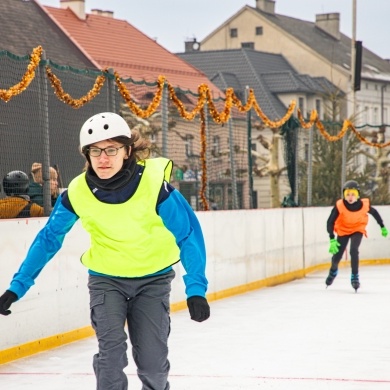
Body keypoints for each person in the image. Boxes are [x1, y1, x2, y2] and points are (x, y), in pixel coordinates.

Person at [0, 112, 210, 390]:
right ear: (87, 155)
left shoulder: (154, 186)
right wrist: (17, 287)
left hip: (153, 280)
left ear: (127, 151)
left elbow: (188, 235)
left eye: (112, 149)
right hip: (106, 280)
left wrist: (196, 289)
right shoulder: (77, 192)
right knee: (110, 359)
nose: (103, 158)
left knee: (153, 367)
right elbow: (48, 239)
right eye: (95, 151)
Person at [325, 180, 388, 291]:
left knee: (354, 250)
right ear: (344, 195)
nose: (350, 197)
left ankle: (355, 277)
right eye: (347, 194)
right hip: (343, 230)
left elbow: (374, 213)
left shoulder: (363, 205)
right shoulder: (340, 206)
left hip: (357, 229)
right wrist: (332, 238)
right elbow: (330, 222)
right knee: (337, 256)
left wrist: (382, 226)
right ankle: (333, 270)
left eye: (353, 194)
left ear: (358, 195)